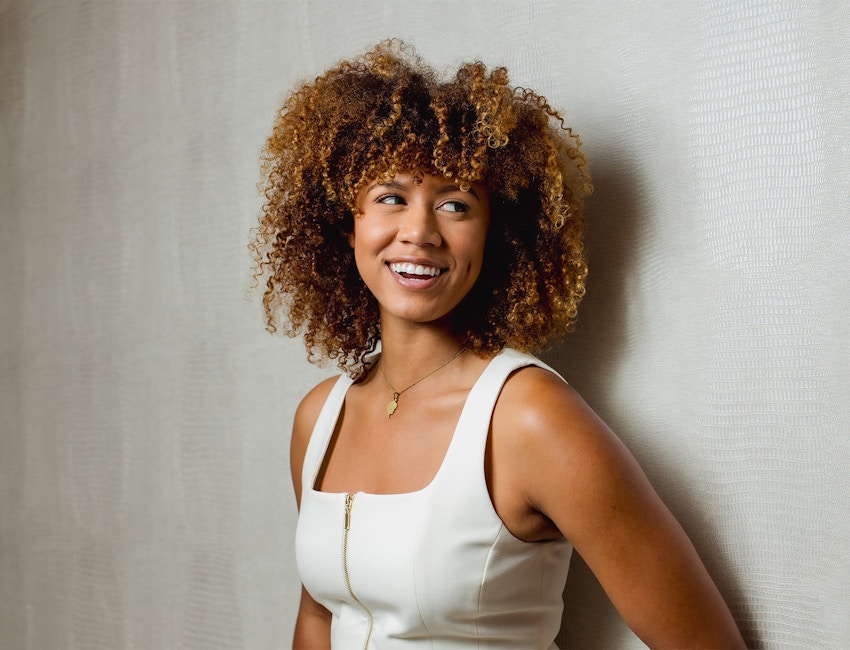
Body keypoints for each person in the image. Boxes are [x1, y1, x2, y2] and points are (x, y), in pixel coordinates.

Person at [251, 40, 745, 649]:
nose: (419, 232)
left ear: (495, 234)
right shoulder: (319, 417)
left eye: (455, 204)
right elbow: (318, 618)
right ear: (344, 221)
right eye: (390, 197)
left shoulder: (529, 416)